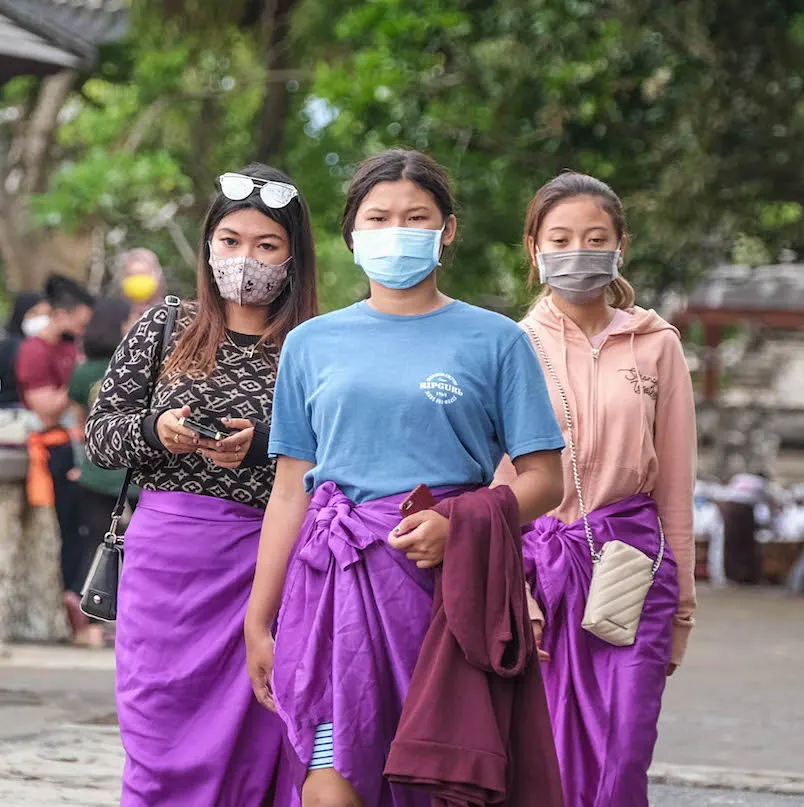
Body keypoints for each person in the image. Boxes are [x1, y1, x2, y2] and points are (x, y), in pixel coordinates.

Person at [244, 148, 567, 807]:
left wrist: (461, 525)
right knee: (329, 786)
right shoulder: (311, 344)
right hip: (333, 593)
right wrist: (259, 615)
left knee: (434, 781)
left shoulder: (496, 339)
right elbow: (290, 490)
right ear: (352, 234)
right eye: (379, 216)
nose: (397, 230)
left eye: (416, 216)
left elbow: (545, 478)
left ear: (447, 230)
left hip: (447, 596)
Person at [85, 163, 317, 806]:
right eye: (231, 241)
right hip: (166, 564)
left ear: (294, 254)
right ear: (209, 245)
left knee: (258, 739)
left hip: (269, 560)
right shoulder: (166, 327)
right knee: (157, 735)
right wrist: (159, 431)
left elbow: (337, 457)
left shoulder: (314, 344)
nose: (246, 258)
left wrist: (259, 447)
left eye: (267, 245)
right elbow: (101, 434)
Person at [496, 172, 697, 807]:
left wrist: (684, 608)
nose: (577, 251)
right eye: (560, 237)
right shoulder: (511, 346)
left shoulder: (658, 343)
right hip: (541, 574)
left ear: (619, 247)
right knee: (547, 757)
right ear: (533, 248)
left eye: (594, 237)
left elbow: (676, 485)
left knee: (623, 757)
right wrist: (515, 595)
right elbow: (499, 485)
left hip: (635, 569)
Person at [15, 274, 94, 633]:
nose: (83, 326)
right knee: (64, 530)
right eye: (80, 318)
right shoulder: (34, 350)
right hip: (50, 450)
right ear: (62, 315)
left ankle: (78, 599)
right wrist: (79, 384)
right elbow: (44, 408)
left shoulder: (70, 346)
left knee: (82, 528)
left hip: (75, 444)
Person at [68, 296, 135, 648]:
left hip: (94, 470)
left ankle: (87, 624)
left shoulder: (85, 371)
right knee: (137, 548)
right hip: (133, 476)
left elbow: (80, 424)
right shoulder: (139, 365)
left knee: (95, 545)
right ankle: (129, 619)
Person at [119, 248, 167, 320]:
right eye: (131, 275)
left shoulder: (169, 314)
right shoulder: (114, 316)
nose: (137, 280)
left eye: (142, 274)